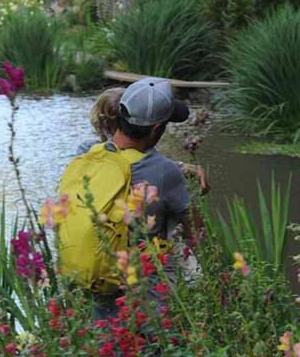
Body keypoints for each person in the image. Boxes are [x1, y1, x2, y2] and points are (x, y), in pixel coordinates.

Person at [77, 77, 197, 317]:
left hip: (95, 284)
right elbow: (195, 231)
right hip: (148, 303)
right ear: (156, 129)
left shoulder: (85, 157)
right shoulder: (163, 171)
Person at [80, 87, 210, 195]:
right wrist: (182, 169)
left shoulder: (87, 150)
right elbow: (146, 166)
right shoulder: (89, 150)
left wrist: (183, 167)